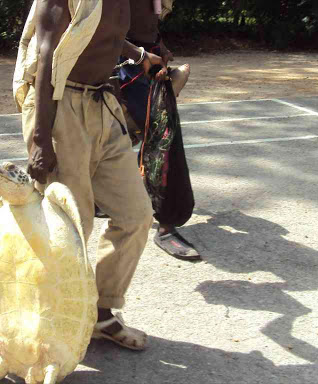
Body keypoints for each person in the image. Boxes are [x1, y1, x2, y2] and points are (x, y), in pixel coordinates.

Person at [13, 0, 167, 350]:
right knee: (71, 227)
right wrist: (41, 139)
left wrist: (140, 55)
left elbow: (105, 33)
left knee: (136, 215)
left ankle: (99, 312)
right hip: (60, 106)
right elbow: (47, 53)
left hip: (103, 104)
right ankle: (53, 325)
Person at [118, 0, 200, 261]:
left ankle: (116, 194)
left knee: (151, 135)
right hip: (126, 61)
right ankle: (165, 226)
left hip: (145, 54)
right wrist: (139, 55)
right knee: (162, 135)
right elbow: (102, 27)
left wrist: (158, 43)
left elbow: (146, 19)